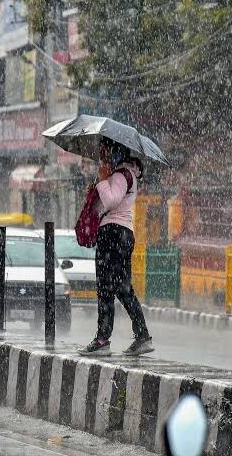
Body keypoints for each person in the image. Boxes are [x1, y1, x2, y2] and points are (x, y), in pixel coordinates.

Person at [79, 141, 154, 356]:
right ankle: (142, 336)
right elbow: (106, 203)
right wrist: (96, 190)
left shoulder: (122, 175)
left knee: (105, 288)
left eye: (104, 152)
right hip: (121, 234)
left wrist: (102, 182)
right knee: (122, 287)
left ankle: (103, 339)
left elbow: (111, 201)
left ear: (115, 152)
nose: (102, 157)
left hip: (113, 233)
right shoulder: (122, 175)